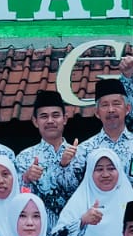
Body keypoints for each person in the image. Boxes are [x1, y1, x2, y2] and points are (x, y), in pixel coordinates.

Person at [75, 77, 133, 199]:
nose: (111, 110)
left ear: (127, 109)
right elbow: (74, 192)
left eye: (116, 104)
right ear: (97, 113)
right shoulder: (84, 150)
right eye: (105, 105)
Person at [15, 90, 84, 219]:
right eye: (44, 116)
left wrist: (65, 166)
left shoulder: (81, 154)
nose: (50, 121)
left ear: (65, 119)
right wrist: (26, 178)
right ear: (35, 121)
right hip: (38, 228)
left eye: (55, 115)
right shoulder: (24, 158)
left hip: (76, 226)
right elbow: (15, 199)